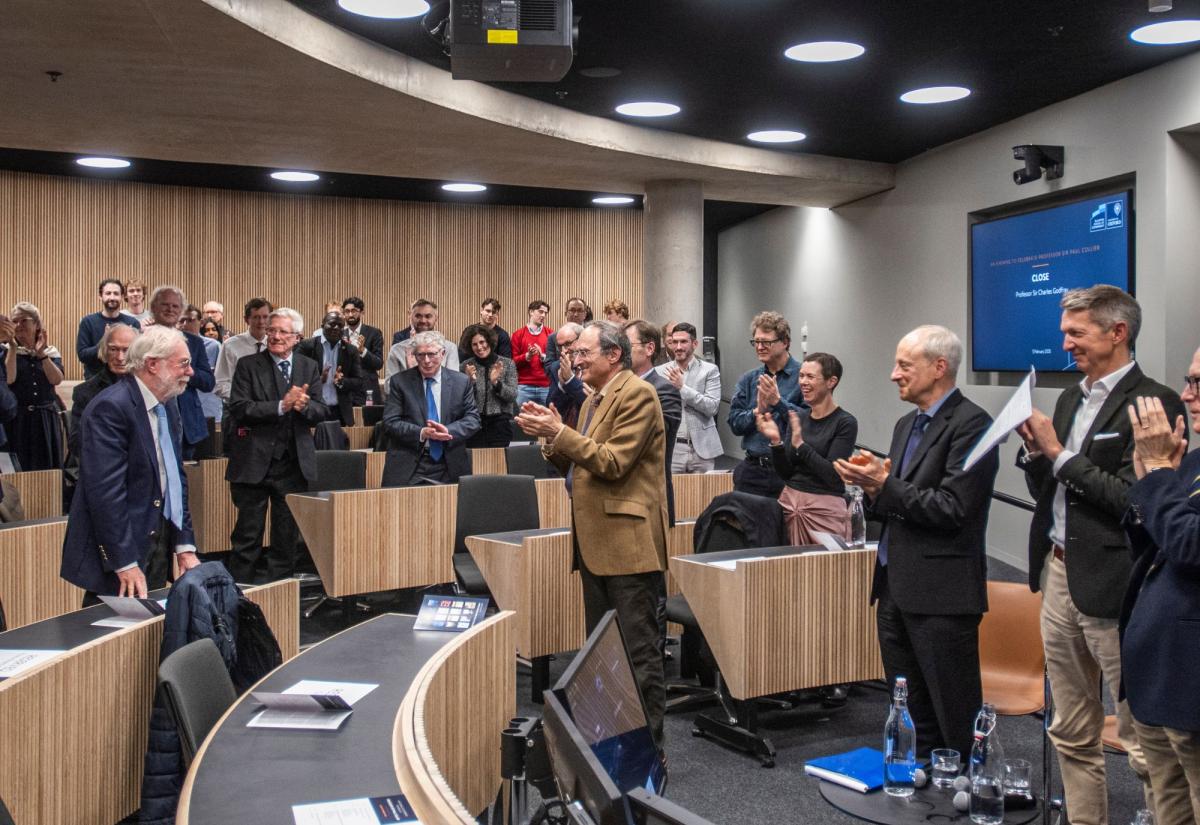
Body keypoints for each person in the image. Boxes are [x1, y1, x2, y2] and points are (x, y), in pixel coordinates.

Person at [1016, 285, 1181, 825]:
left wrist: (1059, 455)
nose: (1065, 344)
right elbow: (1053, 487)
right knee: (1070, 728)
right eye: (1064, 331)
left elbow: (1137, 502)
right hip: (1059, 571)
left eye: (1076, 333)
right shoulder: (1069, 398)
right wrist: (1034, 452)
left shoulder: (1153, 403)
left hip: (1115, 584)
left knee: (1143, 743)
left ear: (1118, 332)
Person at [834, 325, 998, 761]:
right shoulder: (907, 423)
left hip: (942, 593)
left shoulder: (973, 424)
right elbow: (900, 501)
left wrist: (884, 485)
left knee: (954, 711)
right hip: (894, 585)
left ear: (938, 367)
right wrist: (873, 489)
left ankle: (965, 792)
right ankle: (921, 783)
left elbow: (953, 508)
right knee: (907, 707)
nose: (893, 375)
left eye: (904, 366)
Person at [515, 321, 669, 746]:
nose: (575, 360)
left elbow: (613, 463)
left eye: (584, 353)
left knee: (638, 655)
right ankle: (611, 742)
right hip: (595, 543)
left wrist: (559, 433)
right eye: (574, 354)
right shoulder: (590, 402)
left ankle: (650, 754)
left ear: (614, 355)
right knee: (601, 652)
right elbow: (580, 465)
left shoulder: (638, 393)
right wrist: (552, 439)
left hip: (628, 545)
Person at [60, 325, 201, 599]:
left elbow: (174, 478)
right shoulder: (110, 408)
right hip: (119, 549)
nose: (190, 371)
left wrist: (184, 544)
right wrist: (123, 562)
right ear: (152, 365)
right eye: (183, 363)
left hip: (158, 538)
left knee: (150, 633)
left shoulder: (168, 404)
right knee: (111, 637)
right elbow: (105, 494)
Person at [1119, 353, 1200, 825]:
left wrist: (1159, 475)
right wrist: (1150, 480)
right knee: (1169, 811)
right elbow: (1153, 546)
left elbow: (1190, 545)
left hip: (1192, 690)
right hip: (1158, 677)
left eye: (1197, 383)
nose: (1186, 394)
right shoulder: (1191, 461)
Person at [225, 308, 328, 583]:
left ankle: (279, 596)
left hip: (293, 465)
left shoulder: (309, 366)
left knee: (286, 539)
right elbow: (239, 407)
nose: (275, 336)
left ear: (297, 337)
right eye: (271, 330)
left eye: (283, 332)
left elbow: (322, 411)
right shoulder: (248, 364)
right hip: (253, 464)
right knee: (248, 536)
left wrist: (305, 406)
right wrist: (282, 406)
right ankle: (240, 597)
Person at [756, 352, 857, 545]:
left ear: (831, 382)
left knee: (823, 573)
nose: (803, 382)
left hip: (824, 510)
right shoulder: (799, 417)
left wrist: (801, 446)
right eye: (801, 376)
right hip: (789, 503)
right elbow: (786, 473)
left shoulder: (845, 422)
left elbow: (833, 475)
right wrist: (776, 441)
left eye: (810, 377)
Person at [380, 330, 479, 486]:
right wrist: (421, 432)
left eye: (432, 354)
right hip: (410, 462)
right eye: (421, 355)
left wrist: (448, 431)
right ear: (414, 355)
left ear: (443, 353)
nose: (426, 360)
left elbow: (473, 420)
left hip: (450, 462)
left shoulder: (461, 382)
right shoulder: (400, 382)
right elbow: (390, 422)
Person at [727, 311, 804, 497]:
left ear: (785, 342)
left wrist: (778, 403)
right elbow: (735, 424)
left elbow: (810, 421)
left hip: (790, 472)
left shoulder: (804, 377)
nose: (760, 347)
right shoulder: (749, 379)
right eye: (756, 342)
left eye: (766, 342)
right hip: (753, 471)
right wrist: (757, 411)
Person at [624, 320, 681, 523]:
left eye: (627, 345)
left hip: (650, 499)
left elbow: (657, 438)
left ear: (649, 348)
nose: (621, 352)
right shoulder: (617, 388)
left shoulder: (664, 389)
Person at [148, 286, 215, 459]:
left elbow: (208, 382)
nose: (170, 309)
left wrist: (188, 373)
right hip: (150, 422)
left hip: (187, 427)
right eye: (165, 305)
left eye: (175, 306)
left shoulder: (194, 343)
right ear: (154, 308)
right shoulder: (142, 340)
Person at [5, 302, 65, 470]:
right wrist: (12, 347)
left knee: (47, 468)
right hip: (18, 421)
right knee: (19, 468)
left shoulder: (51, 352)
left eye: (24, 320)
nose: (18, 325)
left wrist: (41, 354)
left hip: (45, 419)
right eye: (14, 321)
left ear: (37, 324)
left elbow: (56, 380)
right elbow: (9, 379)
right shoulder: (6, 351)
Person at [68, 323, 139, 464]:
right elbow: (76, 445)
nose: (120, 357)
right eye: (114, 349)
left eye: (126, 350)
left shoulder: (147, 389)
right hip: (103, 468)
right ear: (104, 351)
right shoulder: (85, 392)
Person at [658, 322, 722, 473]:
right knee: (672, 494)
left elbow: (712, 407)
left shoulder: (709, 370)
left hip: (702, 448)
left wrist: (682, 388)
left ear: (695, 343)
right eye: (675, 342)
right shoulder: (660, 372)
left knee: (705, 495)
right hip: (672, 449)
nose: (678, 347)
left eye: (683, 342)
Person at [296, 311, 363, 426]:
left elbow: (359, 381)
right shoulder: (307, 346)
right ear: (322, 325)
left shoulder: (350, 350)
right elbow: (295, 378)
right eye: (332, 324)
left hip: (339, 412)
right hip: (312, 409)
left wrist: (342, 382)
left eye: (340, 325)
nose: (336, 328)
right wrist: (318, 380)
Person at [459, 323, 517, 447]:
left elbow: (512, 396)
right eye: (474, 344)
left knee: (499, 465)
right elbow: (460, 401)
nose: (479, 347)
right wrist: (469, 382)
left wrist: (496, 383)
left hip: (499, 425)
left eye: (482, 342)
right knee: (476, 465)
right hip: (473, 425)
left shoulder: (507, 364)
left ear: (489, 341)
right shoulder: (465, 366)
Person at [76, 278, 141, 379]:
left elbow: (138, 357)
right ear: (100, 296)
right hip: (96, 382)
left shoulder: (132, 323)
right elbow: (83, 356)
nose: (112, 297)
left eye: (116, 293)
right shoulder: (88, 322)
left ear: (122, 296)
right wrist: (104, 342)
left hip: (125, 381)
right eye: (108, 293)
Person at [214, 297, 273, 401]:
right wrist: (243, 398)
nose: (261, 321)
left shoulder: (276, 344)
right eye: (256, 317)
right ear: (246, 319)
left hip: (270, 408)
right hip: (238, 408)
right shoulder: (230, 345)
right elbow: (220, 382)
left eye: (265, 317)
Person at [385, 301, 459, 380]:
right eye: (418, 316)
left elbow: (453, 383)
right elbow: (389, 387)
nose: (423, 320)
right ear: (410, 317)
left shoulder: (450, 348)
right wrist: (410, 372)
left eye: (428, 316)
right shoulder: (396, 350)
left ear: (436, 319)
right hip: (406, 392)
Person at [181, 305, 223, 424]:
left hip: (209, 404)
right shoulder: (174, 344)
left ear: (201, 322)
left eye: (190, 320)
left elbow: (216, 379)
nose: (185, 324)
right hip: (184, 406)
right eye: (182, 320)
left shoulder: (213, 346)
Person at [341, 296, 384, 405]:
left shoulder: (374, 333)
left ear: (361, 312)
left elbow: (378, 363)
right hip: (346, 389)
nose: (350, 314)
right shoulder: (339, 334)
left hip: (368, 388)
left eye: (354, 311)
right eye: (347, 311)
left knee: (371, 421)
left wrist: (363, 351)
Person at [511, 299, 553, 406]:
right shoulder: (518, 335)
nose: (543, 315)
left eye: (545, 313)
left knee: (546, 421)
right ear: (531, 312)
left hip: (545, 386)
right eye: (540, 311)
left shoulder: (550, 334)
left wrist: (542, 356)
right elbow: (512, 362)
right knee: (520, 421)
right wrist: (527, 356)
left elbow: (554, 362)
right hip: (523, 387)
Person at [547, 322, 586, 428]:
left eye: (568, 344)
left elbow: (591, 402)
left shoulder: (592, 364)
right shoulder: (556, 367)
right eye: (560, 346)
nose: (564, 350)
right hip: (565, 429)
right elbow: (552, 407)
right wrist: (562, 386)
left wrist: (570, 380)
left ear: (582, 339)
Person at [459, 298, 512, 363]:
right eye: (488, 311)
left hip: (494, 371)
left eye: (494, 312)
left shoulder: (503, 335)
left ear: (497, 314)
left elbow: (505, 361)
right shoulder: (469, 331)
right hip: (470, 371)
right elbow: (462, 355)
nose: (490, 315)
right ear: (481, 310)